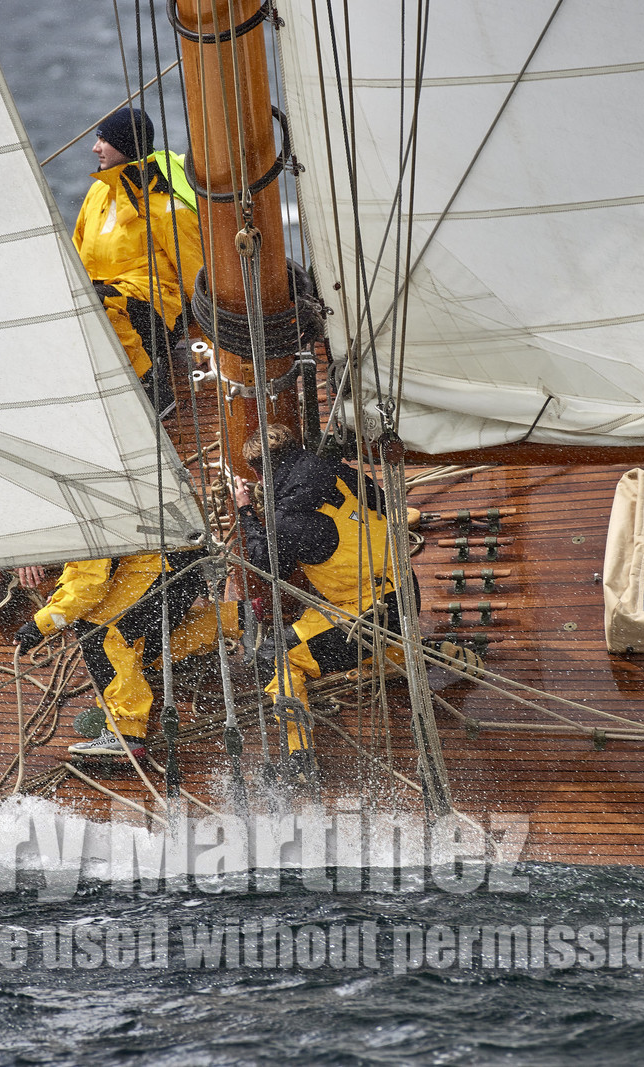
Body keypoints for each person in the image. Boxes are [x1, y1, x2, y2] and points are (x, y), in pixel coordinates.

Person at [232, 426, 482, 778]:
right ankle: (422, 651)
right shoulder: (339, 472)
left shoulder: (286, 517)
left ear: (259, 473)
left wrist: (246, 512)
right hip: (405, 591)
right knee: (323, 634)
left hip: (368, 615)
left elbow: (267, 567)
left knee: (277, 657)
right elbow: (383, 504)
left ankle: (299, 757)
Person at [14, 552, 235, 758]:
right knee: (143, 645)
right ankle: (240, 617)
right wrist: (60, 595)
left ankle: (126, 733)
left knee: (101, 631)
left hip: (161, 568)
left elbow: (90, 583)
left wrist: (40, 625)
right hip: (181, 565)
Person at [73, 106, 204, 420]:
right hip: (108, 295)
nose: (95, 147)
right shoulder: (98, 192)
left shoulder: (168, 208)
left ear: (126, 146)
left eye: (104, 140)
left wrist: (216, 343)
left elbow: (197, 277)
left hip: (159, 310)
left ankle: (151, 386)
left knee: (98, 305)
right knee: (78, 301)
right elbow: (76, 252)